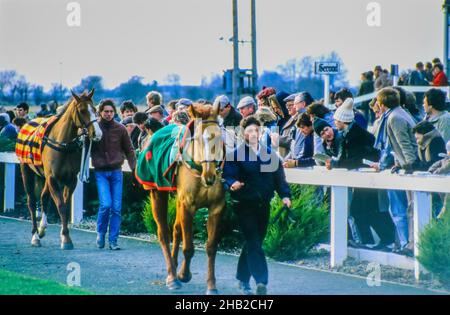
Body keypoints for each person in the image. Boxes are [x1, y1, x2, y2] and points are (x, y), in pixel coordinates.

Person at [223, 116, 291, 295]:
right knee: (253, 242)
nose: (253, 134)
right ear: (243, 133)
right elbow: (227, 176)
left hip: (263, 206)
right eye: (250, 131)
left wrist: (285, 195)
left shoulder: (269, 154)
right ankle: (261, 281)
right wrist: (232, 184)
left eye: (256, 130)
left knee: (254, 243)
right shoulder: (235, 155)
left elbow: (279, 178)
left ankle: (242, 279)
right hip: (244, 205)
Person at [371, 87, 418, 255]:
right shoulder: (400, 113)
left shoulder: (394, 118)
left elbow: (404, 144)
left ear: (382, 103)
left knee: (401, 210)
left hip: (409, 170)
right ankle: (405, 244)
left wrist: (408, 165)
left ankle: (407, 245)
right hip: (403, 166)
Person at [91, 99, 136, 250]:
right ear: (100, 112)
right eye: (106, 112)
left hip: (117, 171)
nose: (109, 114)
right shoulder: (94, 128)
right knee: (106, 204)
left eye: (111, 111)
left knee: (116, 207)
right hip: (101, 172)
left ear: (114, 112)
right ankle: (101, 232)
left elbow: (129, 150)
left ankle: (113, 240)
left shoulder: (120, 128)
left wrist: (134, 168)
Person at [429, 141, 450, 219]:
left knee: (446, 205)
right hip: (442, 189)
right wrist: (432, 172)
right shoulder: (444, 160)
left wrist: (437, 172)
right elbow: (433, 168)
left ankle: (442, 216)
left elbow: (443, 169)